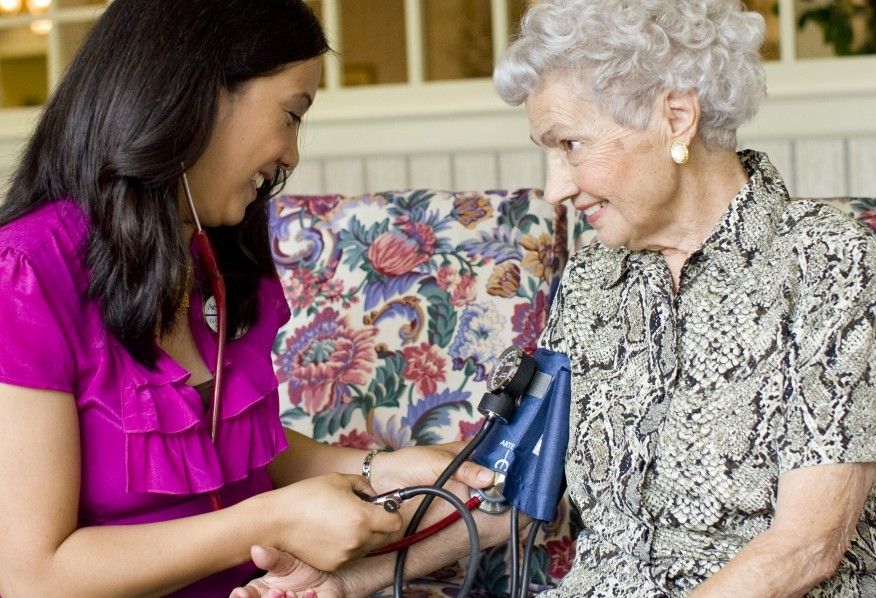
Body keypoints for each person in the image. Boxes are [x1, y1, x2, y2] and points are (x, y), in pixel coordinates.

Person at [0, 1, 508, 596]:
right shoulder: (26, 273)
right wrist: (270, 519)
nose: (292, 154)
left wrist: (379, 466)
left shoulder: (216, 251)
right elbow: (31, 575)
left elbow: (222, 450)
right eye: (292, 115)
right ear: (194, 96)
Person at [488, 0, 876, 596]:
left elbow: (806, 549)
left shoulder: (826, 263)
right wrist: (351, 581)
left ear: (676, 117)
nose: (555, 188)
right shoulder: (593, 279)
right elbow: (526, 487)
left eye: (570, 145)